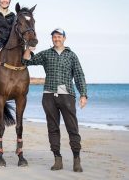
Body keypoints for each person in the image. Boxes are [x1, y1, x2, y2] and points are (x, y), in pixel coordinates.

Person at [22, 28, 88, 172]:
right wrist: (28, 48)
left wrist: (83, 95)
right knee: (53, 128)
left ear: (64, 38)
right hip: (49, 96)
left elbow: (79, 76)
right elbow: (26, 61)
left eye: (59, 36)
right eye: (54, 37)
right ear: (52, 39)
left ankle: (76, 159)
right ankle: (57, 159)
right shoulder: (46, 54)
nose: (56, 39)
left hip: (67, 96)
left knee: (72, 128)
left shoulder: (71, 55)